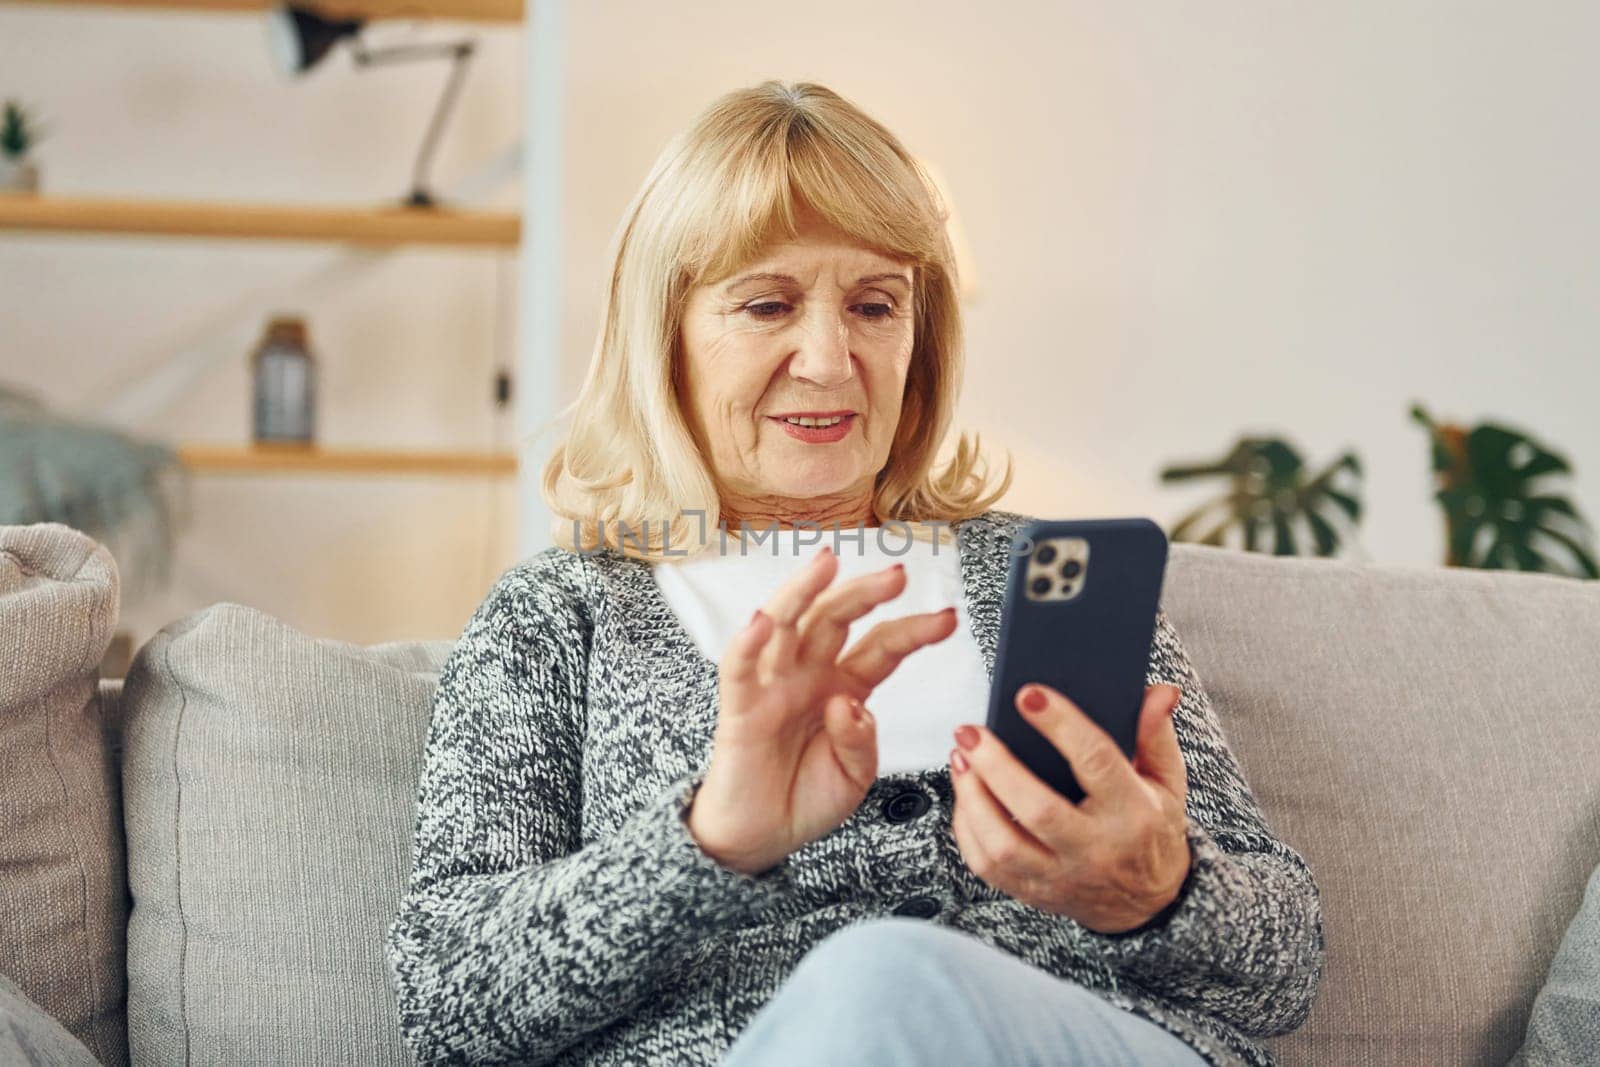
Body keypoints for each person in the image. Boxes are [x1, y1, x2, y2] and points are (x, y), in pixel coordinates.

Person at [383, 79, 1325, 1067]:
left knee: (892, 979)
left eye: (875, 304)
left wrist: (1160, 887)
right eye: (767, 303)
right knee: (878, 981)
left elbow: (1286, 968)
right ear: (663, 334)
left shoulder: (1047, 574)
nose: (830, 362)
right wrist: (703, 842)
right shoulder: (561, 612)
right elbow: (446, 1005)